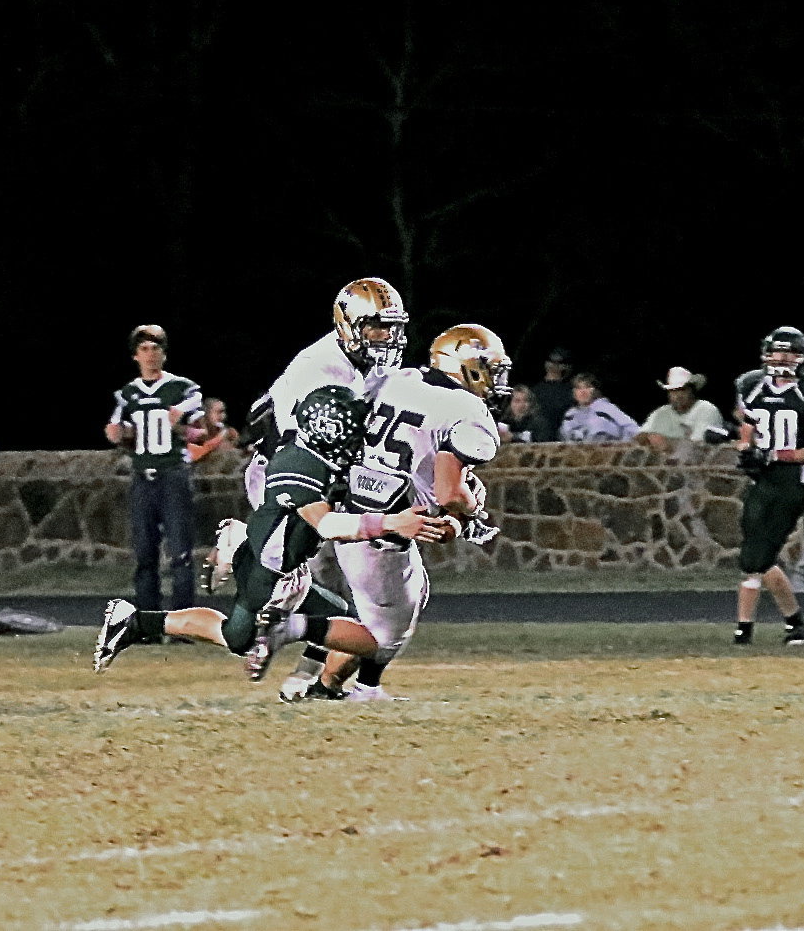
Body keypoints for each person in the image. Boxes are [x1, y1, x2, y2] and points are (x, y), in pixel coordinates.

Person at [93, 386, 446, 677]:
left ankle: (139, 620)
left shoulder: (321, 456)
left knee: (336, 621)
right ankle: (137, 620)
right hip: (270, 570)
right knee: (240, 638)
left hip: (281, 561)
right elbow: (327, 524)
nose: (359, 442)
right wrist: (388, 523)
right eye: (353, 433)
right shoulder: (299, 465)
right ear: (331, 432)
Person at [227, 276, 409, 699]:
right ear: (349, 324)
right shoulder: (318, 371)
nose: (387, 336)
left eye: (391, 326)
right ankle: (242, 549)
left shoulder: (371, 361)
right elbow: (303, 449)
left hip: (330, 467)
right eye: (377, 326)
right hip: (287, 473)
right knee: (294, 583)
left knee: (341, 582)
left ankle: (305, 675)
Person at [310, 323, 511, 702]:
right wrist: (472, 505)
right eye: (492, 369)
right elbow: (448, 491)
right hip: (387, 524)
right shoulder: (466, 408)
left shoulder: (402, 379)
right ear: (466, 366)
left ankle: (351, 685)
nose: (496, 380)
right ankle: (328, 682)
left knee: (410, 599)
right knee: (383, 632)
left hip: (358, 504)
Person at [731, 326, 804, 646]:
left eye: (788, 352)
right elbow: (746, 437)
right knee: (758, 558)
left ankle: (745, 630)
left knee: (756, 557)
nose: (781, 358)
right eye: (776, 351)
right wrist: (746, 452)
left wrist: (776, 454)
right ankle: (792, 626)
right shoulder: (751, 386)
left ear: (800, 356)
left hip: (792, 480)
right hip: (763, 478)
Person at [105, 324, 203, 616]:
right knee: (145, 552)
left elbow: (200, 431)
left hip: (172, 474)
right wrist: (117, 432)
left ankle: (182, 620)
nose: (150, 355)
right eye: (144, 349)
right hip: (142, 477)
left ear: (164, 354)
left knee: (180, 552)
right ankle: (148, 619)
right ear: (135, 356)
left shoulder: (182, 389)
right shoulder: (127, 394)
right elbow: (119, 430)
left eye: (155, 349)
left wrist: (183, 424)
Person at [634, 367, 724, 450]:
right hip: (665, 465)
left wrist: (667, 444)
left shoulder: (706, 409)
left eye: (682, 390)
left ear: (692, 391)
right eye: (673, 391)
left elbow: (699, 446)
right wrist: (645, 438)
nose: (678, 395)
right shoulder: (661, 412)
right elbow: (641, 437)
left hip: (701, 465)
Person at [558, 371, 639, 443]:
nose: (583, 392)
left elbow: (634, 429)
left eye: (587, 387)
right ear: (574, 392)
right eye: (579, 388)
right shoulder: (569, 415)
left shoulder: (606, 409)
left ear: (595, 391)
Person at [530, 347, 574, 439]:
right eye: (552, 361)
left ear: (566, 366)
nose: (555, 365)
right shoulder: (535, 390)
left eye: (559, 362)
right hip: (537, 435)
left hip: (562, 436)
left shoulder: (570, 390)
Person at [186, 397, 240, 463]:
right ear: (206, 413)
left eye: (223, 412)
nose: (223, 416)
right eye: (218, 412)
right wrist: (221, 437)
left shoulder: (228, 433)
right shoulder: (195, 430)